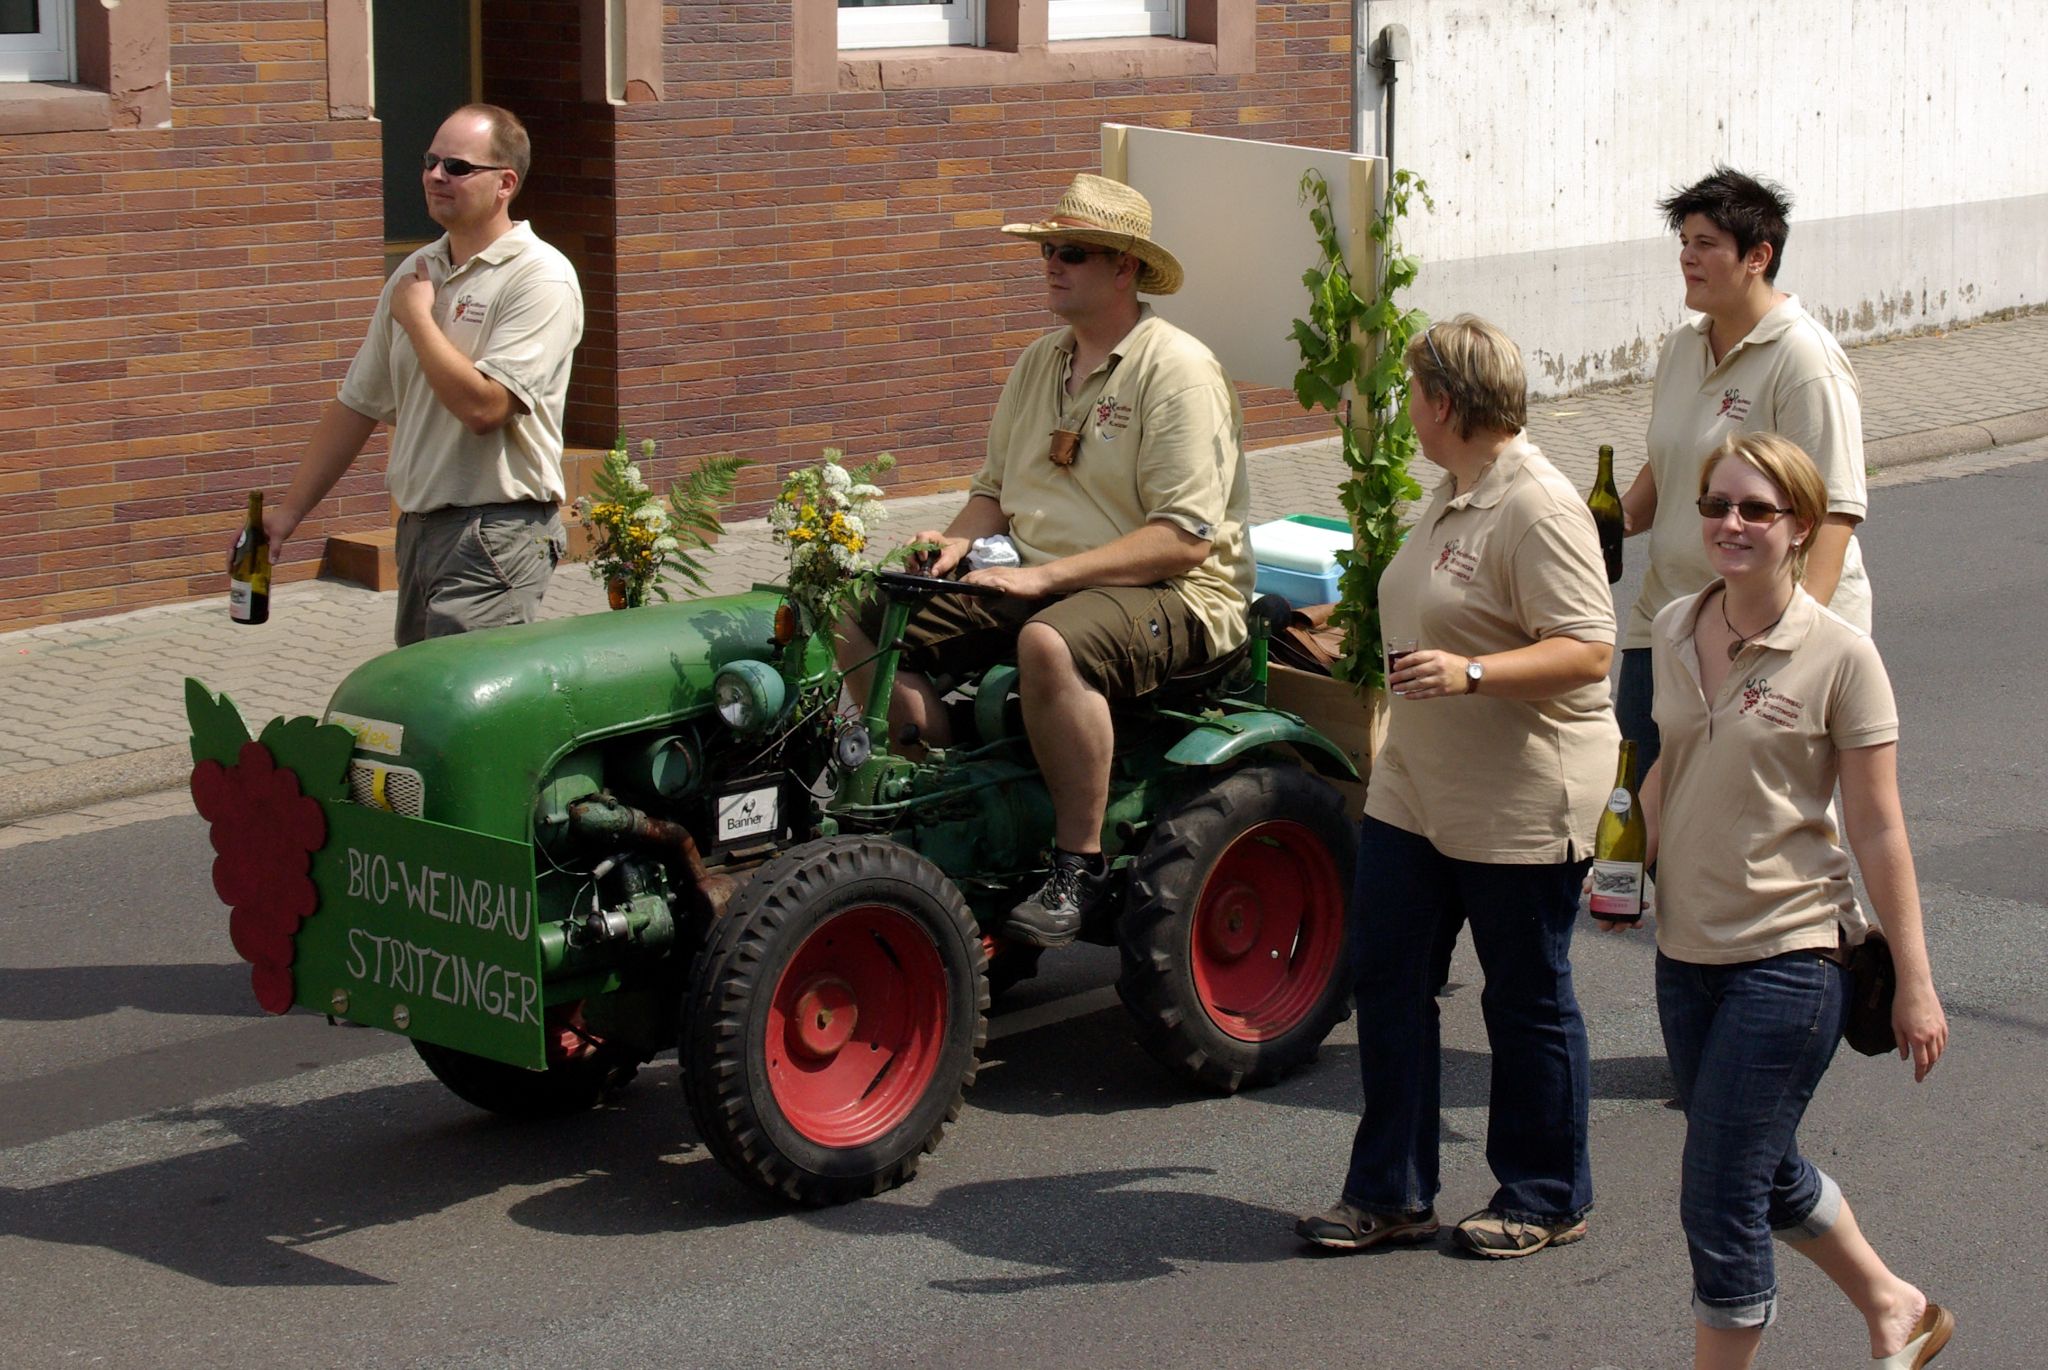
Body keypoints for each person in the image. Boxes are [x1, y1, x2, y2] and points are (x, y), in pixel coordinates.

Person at [1599, 432, 1950, 1369]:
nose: (1732, 523)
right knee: (1763, 1162)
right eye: (1717, 505)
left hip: (1794, 957)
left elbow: (1878, 828)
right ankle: (1895, 1306)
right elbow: (1671, 766)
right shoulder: (1677, 627)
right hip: (1686, 954)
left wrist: (1915, 982)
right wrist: (1624, 867)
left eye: (1756, 509)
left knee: (1719, 1191)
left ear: (1800, 526)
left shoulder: (1841, 657)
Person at [838, 173, 1252, 948]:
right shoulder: (1039, 362)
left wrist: (1043, 577)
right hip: (1036, 575)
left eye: (1072, 252)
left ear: (1125, 267)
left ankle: (1078, 867)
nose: (1052, 263)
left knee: (1050, 641)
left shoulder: (1178, 370)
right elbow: (992, 491)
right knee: (859, 615)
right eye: (1047, 250)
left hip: (1177, 593)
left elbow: (1183, 539)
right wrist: (953, 542)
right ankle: (951, 790)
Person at [1297, 315, 1618, 1258]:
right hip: (1418, 786)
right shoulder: (1452, 494)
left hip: (1517, 792)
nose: (1405, 408)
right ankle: (1392, 1192)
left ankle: (1546, 1195)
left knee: (1524, 998)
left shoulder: (1537, 505)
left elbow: (1589, 649)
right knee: (1388, 977)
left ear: (1443, 402)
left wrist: (1472, 673)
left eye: (1410, 392)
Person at [263, 103, 585, 645]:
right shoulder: (417, 273)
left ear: (505, 183)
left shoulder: (540, 277)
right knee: (419, 689)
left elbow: (485, 408)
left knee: (461, 690)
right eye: (430, 162)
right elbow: (358, 403)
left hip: (495, 532)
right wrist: (288, 514)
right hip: (417, 530)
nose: (435, 176)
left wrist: (417, 320)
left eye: (457, 167)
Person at [1618, 167, 1869, 786]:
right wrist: (1604, 522)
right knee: (1635, 805)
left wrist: (1789, 644)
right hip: (1666, 620)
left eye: (1706, 245)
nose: (1687, 258)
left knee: (1749, 815)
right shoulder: (1682, 346)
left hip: (1759, 633)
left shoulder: (1805, 359)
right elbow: (1671, 463)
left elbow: (1834, 514)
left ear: (1758, 257)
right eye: (1684, 243)